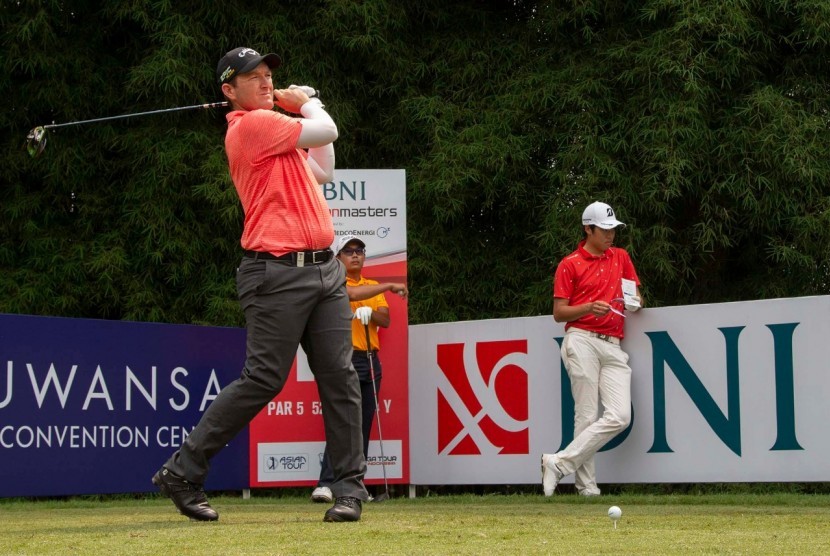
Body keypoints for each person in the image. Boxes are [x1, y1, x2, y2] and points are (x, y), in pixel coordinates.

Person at [152, 46, 367, 523]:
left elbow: (324, 166)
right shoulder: (251, 126)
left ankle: (348, 488)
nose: (267, 82)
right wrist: (302, 102)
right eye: (254, 78)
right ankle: (182, 471)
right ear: (229, 92)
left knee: (340, 376)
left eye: (270, 74)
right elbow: (327, 127)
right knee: (265, 378)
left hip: (324, 271)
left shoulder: (277, 139)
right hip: (276, 273)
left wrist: (298, 106)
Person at [541, 201, 643, 496]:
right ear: (588, 229)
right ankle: (586, 487)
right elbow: (559, 313)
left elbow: (635, 292)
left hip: (613, 344)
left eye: (614, 229)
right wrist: (588, 307)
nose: (611, 235)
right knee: (585, 416)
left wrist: (636, 300)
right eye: (605, 229)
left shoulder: (620, 257)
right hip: (582, 338)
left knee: (620, 416)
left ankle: (558, 463)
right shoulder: (569, 264)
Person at [312, 236, 400, 503]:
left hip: (370, 360)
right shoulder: (334, 284)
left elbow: (384, 319)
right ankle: (326, 484)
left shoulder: (373, 287)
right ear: (338, 258)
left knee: (361, 426)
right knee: (342, 424)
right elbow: (348, 297)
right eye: (348, 251)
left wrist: (369, 314)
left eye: (359, 251)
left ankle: (353, 485)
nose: (354, 255)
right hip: (343, 359)